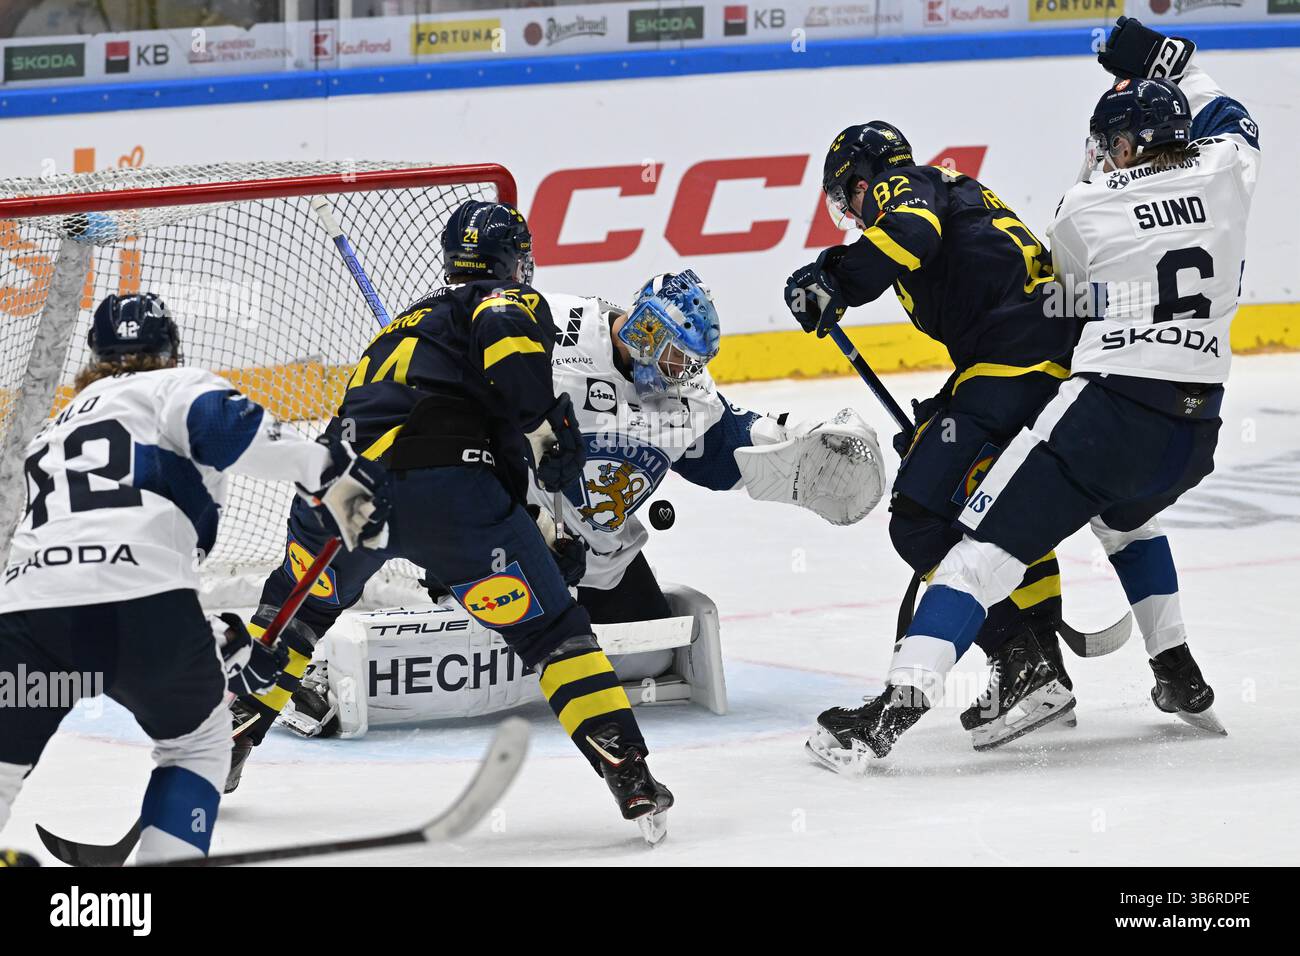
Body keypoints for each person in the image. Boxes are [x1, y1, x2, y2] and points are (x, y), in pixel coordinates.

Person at [807, 17, 1255, 771]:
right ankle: (1175, 670)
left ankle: (906, 704)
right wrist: (1172, 64)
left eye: (1106, 145)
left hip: (1106, 410)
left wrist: (837, 279)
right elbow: (1229, 119)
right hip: (1196, 424)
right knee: (1122, 521)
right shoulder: (1226, 173)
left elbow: (1074, 305)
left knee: (972, 543)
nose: (1099, 156)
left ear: (1122, 146)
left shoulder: (1085, 206)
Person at [227, 200, 674, 841]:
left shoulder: (401, 329)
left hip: (342, 491)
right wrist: (548, 429)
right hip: (448, 492)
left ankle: (227, 742)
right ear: (512, 259)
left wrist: (538, 522)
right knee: (554, 634)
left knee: (294, 617)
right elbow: (509, 369)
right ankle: (628, 773)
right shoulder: (505, 300)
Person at [278, 268, 885, 734]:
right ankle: (331, 661)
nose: (681, 372)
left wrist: (790, 449)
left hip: (599, 559)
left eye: (690, 362)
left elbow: (722, 450)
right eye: (673, 355)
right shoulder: (556, 333)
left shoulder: (684, 394)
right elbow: (470, 419)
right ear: (644, 328)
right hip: (506, 540)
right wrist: (535, 525)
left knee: (647, 656)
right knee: (500, 654)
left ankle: (529, 648)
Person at [0, 292, 389, 862]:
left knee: (3, 764)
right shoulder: (176, 387)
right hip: (142, 610)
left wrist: (212, 636)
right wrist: (354, 502)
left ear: (96, 355)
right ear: (170, 348)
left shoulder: (52, 432)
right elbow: (274, 447)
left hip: (28, 618)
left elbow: (80, 562)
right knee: (197, 744)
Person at [785, 119, 1082, 749]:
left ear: (865, 180)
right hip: (1031, 364)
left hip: (1015, 366)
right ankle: (1042, 666)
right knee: (997, 516)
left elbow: (911, 235)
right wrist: (943, 413)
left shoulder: (906, 187)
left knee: (919, 515)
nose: (853, 212)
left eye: (848, 195)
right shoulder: (951, 191)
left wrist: (835, 279)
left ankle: (1019, 664)